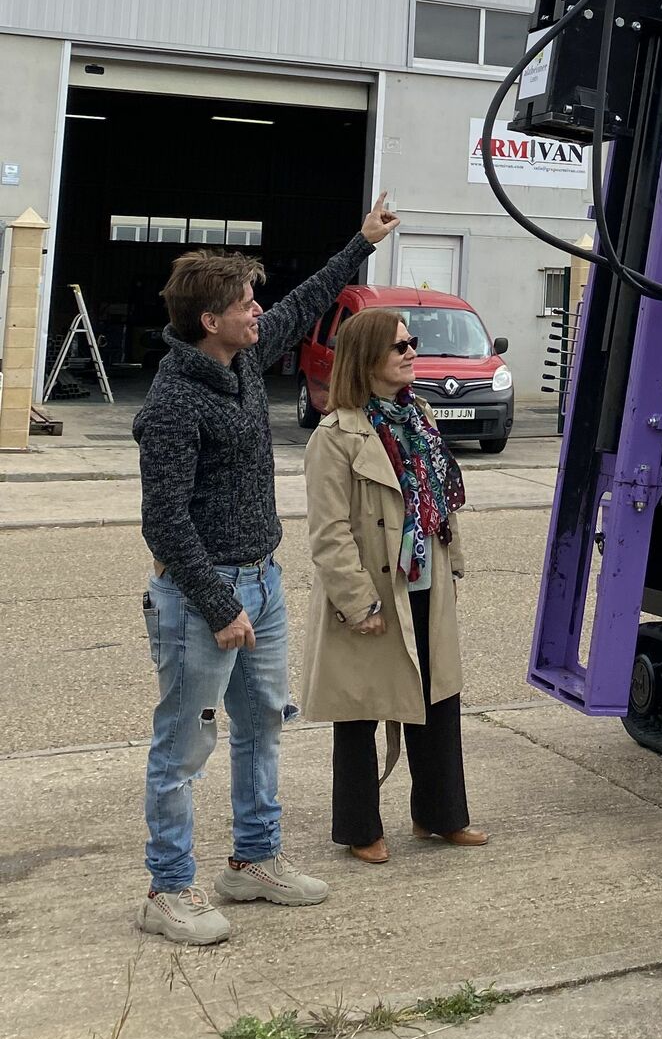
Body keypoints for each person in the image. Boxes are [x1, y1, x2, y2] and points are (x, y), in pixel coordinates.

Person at [134, 194, 401, 944]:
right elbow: (164, 519)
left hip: (264, 580)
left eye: (254, 301)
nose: (259, 311)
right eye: (245, 304)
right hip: (202, 599)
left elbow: (310, 297)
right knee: (185, 748)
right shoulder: (174, 400)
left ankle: (252, 862)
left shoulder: (246, 359)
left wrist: (362, 242)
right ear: (208, 320)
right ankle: (167, 887)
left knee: (262, 730)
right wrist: (221, 605)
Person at [302, 307, 485, 863]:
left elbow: (438, 498)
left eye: (412, 343)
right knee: (359, 710)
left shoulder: (421, 417)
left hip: (426, 586)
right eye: (399, 346)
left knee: (438, 698)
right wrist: (357, 603)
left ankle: (441, 816)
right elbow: (329, 533)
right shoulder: (335, 437)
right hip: (372, 594)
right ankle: (360, 830)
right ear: (367, 359)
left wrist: (452, 561)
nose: (410, 352)